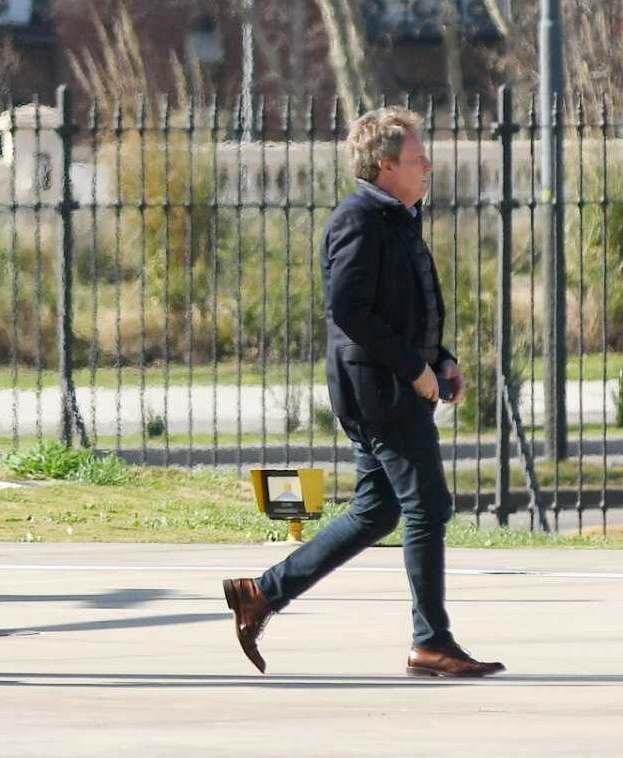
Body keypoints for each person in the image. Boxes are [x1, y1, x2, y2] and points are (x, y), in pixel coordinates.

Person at [222, 107, 506, 678]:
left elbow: (399, 308)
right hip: (381, 390)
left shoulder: (397, 217)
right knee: (428, 506)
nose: (428, 164)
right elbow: (349, 309)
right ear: (384, 166)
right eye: (416, 156)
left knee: (377, 511)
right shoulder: (359, 219)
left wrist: (439, 359)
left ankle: (263, 593)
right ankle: (431, 643)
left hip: (389, 384)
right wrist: (413, 371)